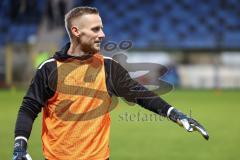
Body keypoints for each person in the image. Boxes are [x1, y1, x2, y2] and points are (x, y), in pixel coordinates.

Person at [13, 6, 209, 160]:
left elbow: (139, 94)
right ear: (76, 31)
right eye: (95, 29)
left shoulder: (108, 67)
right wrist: (20, 144)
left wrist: (173, 113)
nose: (102, 34)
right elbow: (29, 107)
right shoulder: (49, 68)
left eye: (102, 28)